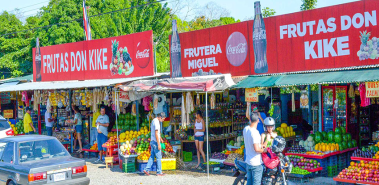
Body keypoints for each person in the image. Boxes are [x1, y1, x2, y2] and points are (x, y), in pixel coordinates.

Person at [243, 112, 267, 185]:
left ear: (250, 120)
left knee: (249, 183)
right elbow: (256, 149)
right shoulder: (255, 132)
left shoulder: (246, 129)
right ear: (258, 120)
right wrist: (264, 150)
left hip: (248, 162)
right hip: (256, 164)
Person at [143, 112, 166, 176]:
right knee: (159, 157)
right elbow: (156, 133)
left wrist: (160, 138)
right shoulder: (157, 123)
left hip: (152, 141)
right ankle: (159, 172)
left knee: (152, 156)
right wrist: (158, 144)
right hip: (155, 142)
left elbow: (156, 133)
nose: (163, 121)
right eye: (163, 119)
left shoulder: (154, 120)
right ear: (160, 117)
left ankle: (146, 169)